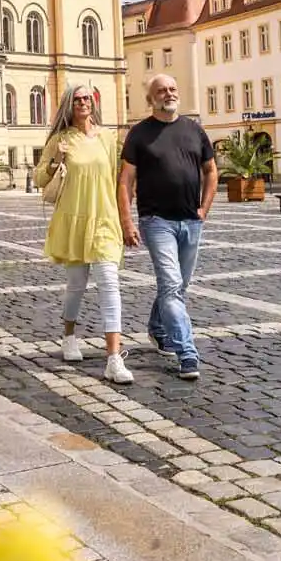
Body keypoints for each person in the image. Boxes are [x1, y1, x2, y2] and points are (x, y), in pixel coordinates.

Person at [119, 73, 217, 381]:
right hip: (156, 221)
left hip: (191, 220)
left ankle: (157, 328)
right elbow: (125, 182)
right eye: (161, 91)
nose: (169, 94)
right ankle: (187, 352)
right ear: (151, 99)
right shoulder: (139, 134)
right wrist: (126, 220)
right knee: (173, 286)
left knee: (177, 286)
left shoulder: (195, 130)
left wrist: (204, 208)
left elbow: (211, 171)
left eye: (173, 89)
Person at [34, 83, 131, 384]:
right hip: (74, 219)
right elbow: (39, 177)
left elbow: (121, 178)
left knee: (109, 284)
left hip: (104, 219)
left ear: (93, 103)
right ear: (68, 105)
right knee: (76, 285)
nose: (83, 103)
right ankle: (68, 335)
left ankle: (114, 358)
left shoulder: (108, 137)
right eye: (77, 100)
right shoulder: (61, 139)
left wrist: (125, 218)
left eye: (87, 98)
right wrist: (55, 161)